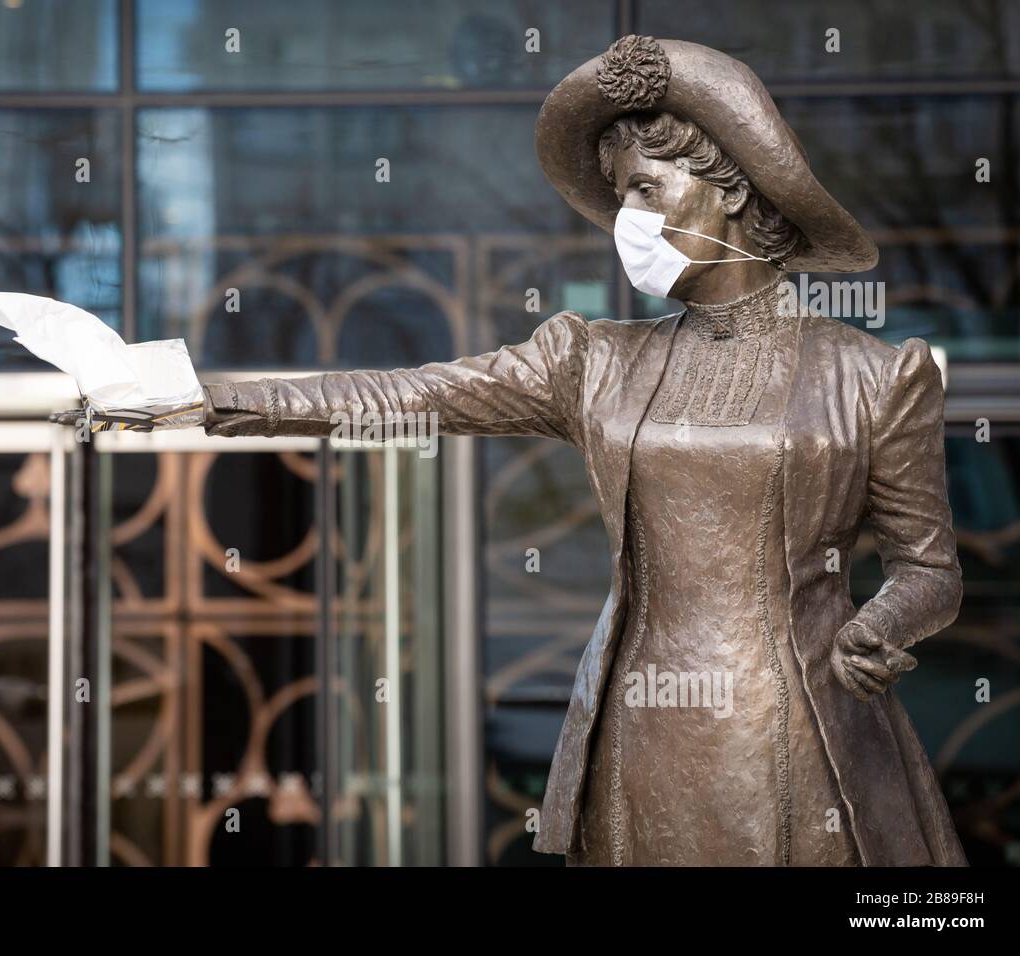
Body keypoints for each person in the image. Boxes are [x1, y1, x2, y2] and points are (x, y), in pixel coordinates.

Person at [200, 36, 965, 866]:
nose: (628, 219)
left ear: (733, 189)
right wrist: (202, 400)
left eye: (646, 187)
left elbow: (931, 570)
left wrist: (881, 624)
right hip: (639, 725)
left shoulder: (876, 376)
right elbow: (407, 397)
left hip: (801, 729)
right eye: (618, 195)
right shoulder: (594, 360)